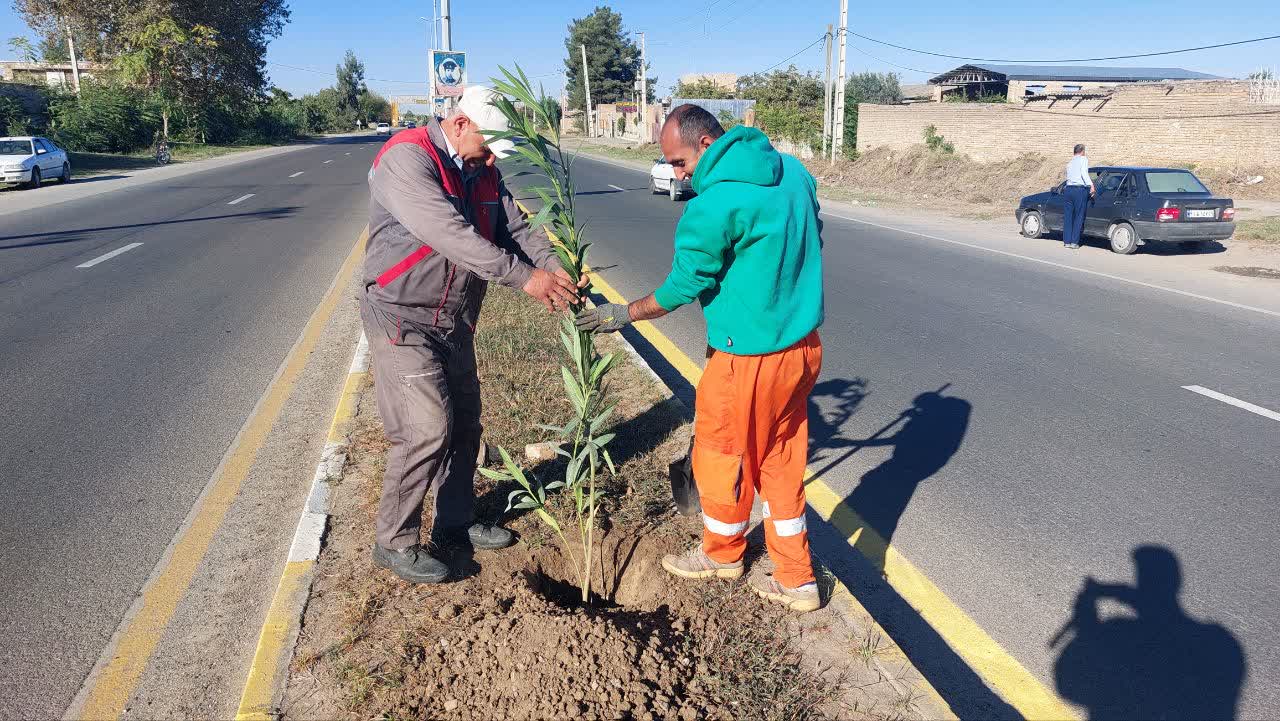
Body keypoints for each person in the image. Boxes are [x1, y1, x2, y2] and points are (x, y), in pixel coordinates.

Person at [575, 104, 825, 612]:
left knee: (721, 454)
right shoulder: (794, 173)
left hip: (746, 359)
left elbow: (682, 287)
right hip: (803, 350)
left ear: (707, 144)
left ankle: (722, 554)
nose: (678, 174)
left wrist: (625, 313)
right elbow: (811, 236)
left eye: (681, 163)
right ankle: (798, 579)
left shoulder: (712, 206)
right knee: (780, 458)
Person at [363, 85, 583, 584]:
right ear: (461, 123)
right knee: (426, 427)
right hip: (401, 316)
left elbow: (517, 230)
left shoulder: (484, 170)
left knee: (466, 424)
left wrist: (555, 266)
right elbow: (452, 237)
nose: (491, 157)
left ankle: (455, 522)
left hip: (455, 317)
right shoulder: (407, 160)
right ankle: (393, 541)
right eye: (488, 143)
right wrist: (527, 278)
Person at [1062, 143, 1095, 249]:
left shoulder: (1069, 163)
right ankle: (1074, 242)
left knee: (1068, 217)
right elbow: (1084, 173)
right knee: (1079, 216)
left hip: (1068, 190)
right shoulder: (1083, 159)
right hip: (1079, 190)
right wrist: (1091, 185)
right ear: (1082, 151)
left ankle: (1066, 241)